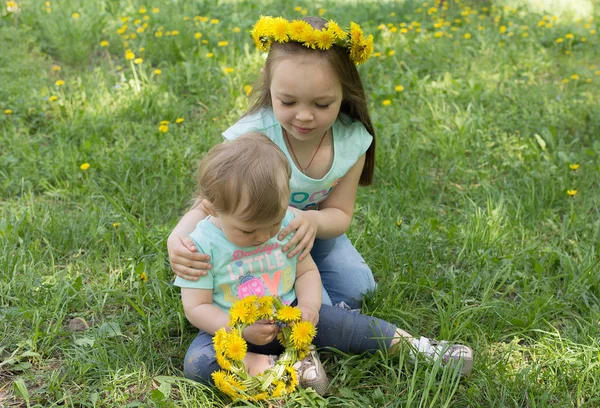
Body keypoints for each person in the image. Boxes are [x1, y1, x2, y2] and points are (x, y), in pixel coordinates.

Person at [176, 133, 473, 397]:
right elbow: (197, 307)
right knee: (199, 362)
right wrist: (240, 332)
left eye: (273, 224)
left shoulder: (289, 224)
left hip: (292, 317)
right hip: (232, 330)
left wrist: (310, 307)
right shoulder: (200, 245)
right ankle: (279, 367)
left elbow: (305, 271)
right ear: (213, 207)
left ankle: (420, 349)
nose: (264, 237)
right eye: (248, 231)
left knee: (348, 325)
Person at [168, 16, 380, 310]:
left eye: (321, 104)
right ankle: (265, 281)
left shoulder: (351, 140)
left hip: (313, 234)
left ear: (345, 93)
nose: (304, 116)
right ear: (270, 88)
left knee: (360, 291)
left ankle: (298, 277)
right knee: (321, 308)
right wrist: (178, 238)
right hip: (254, 240)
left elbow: (340, 214)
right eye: (288, 102)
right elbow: (213, 203)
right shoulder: (252, 136)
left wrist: (311, 221)